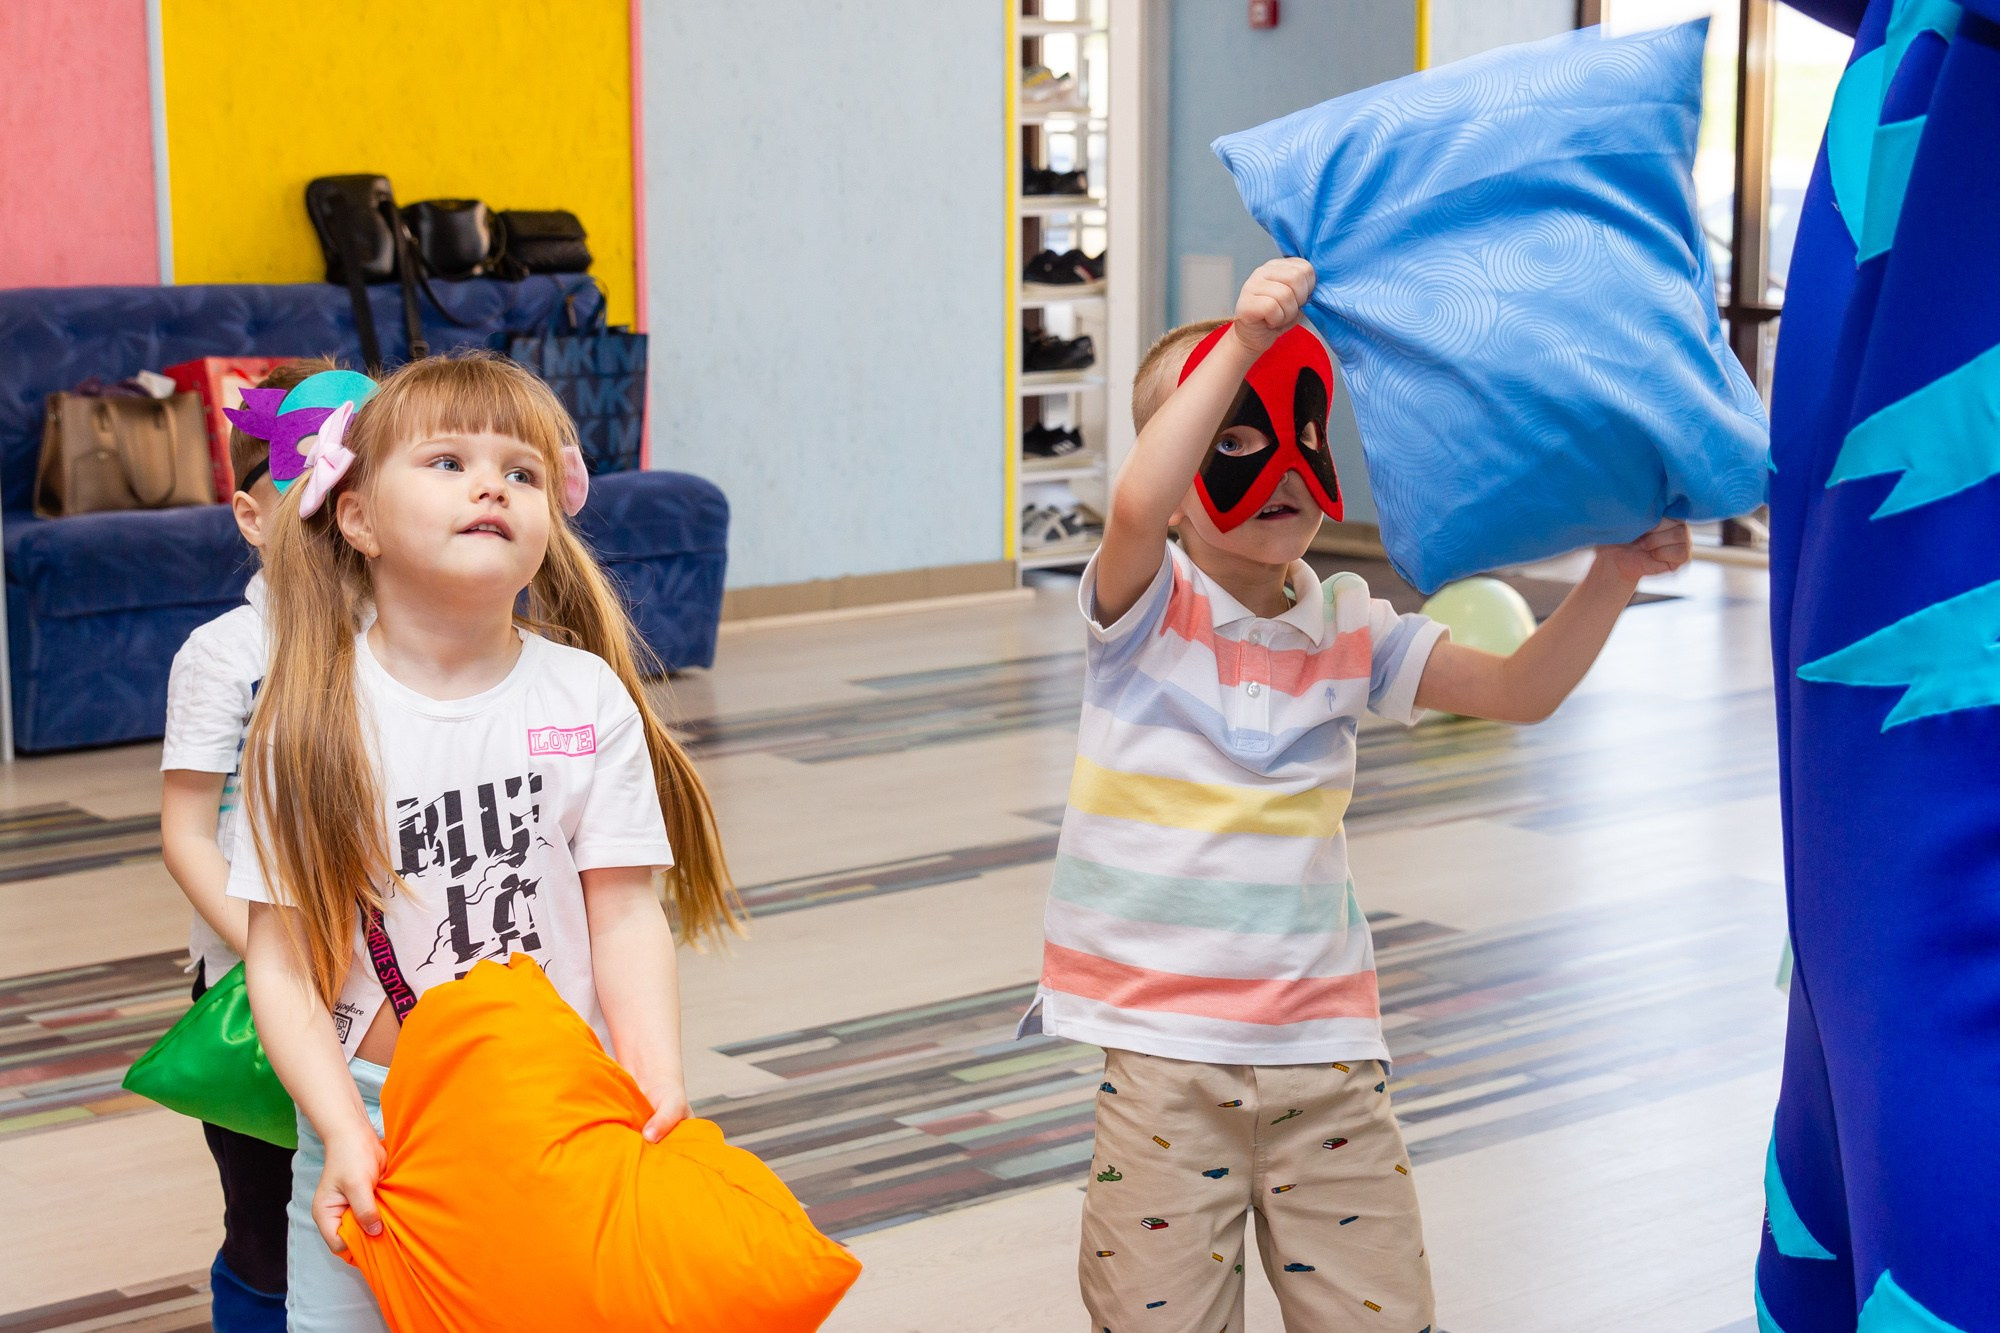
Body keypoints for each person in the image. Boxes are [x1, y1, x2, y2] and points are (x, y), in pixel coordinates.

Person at [1021, 258, 1691, 1330]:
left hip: (1324, 1056)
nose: (1278, 468)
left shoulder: (1349, 623)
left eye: (1300, 432)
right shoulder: (1143, 611)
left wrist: (1609, 577)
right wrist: (1239, 342)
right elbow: (1138, 503)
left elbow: (1520, 690)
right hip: (1161, 1063)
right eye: (1229, 439)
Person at [226, 353, 741, 1332]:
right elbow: (283, 966)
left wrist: (650, 1072)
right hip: (373, 1111)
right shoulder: (307, 716)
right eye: (448, 460)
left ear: (548, 526)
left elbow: (624, 909)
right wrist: (341, 1126)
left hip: (550, 1097)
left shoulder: (582, 692)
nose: (490, 484)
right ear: (359, 517)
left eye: (522, 470)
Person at [159, 355, 335, 1332]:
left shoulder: (405, 642)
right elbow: (186, 830)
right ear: (250, 515)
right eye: (300, 500)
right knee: (264, 1219)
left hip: (383, 987)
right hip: (245, 982)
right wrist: (277, 959)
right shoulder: (226, 655)